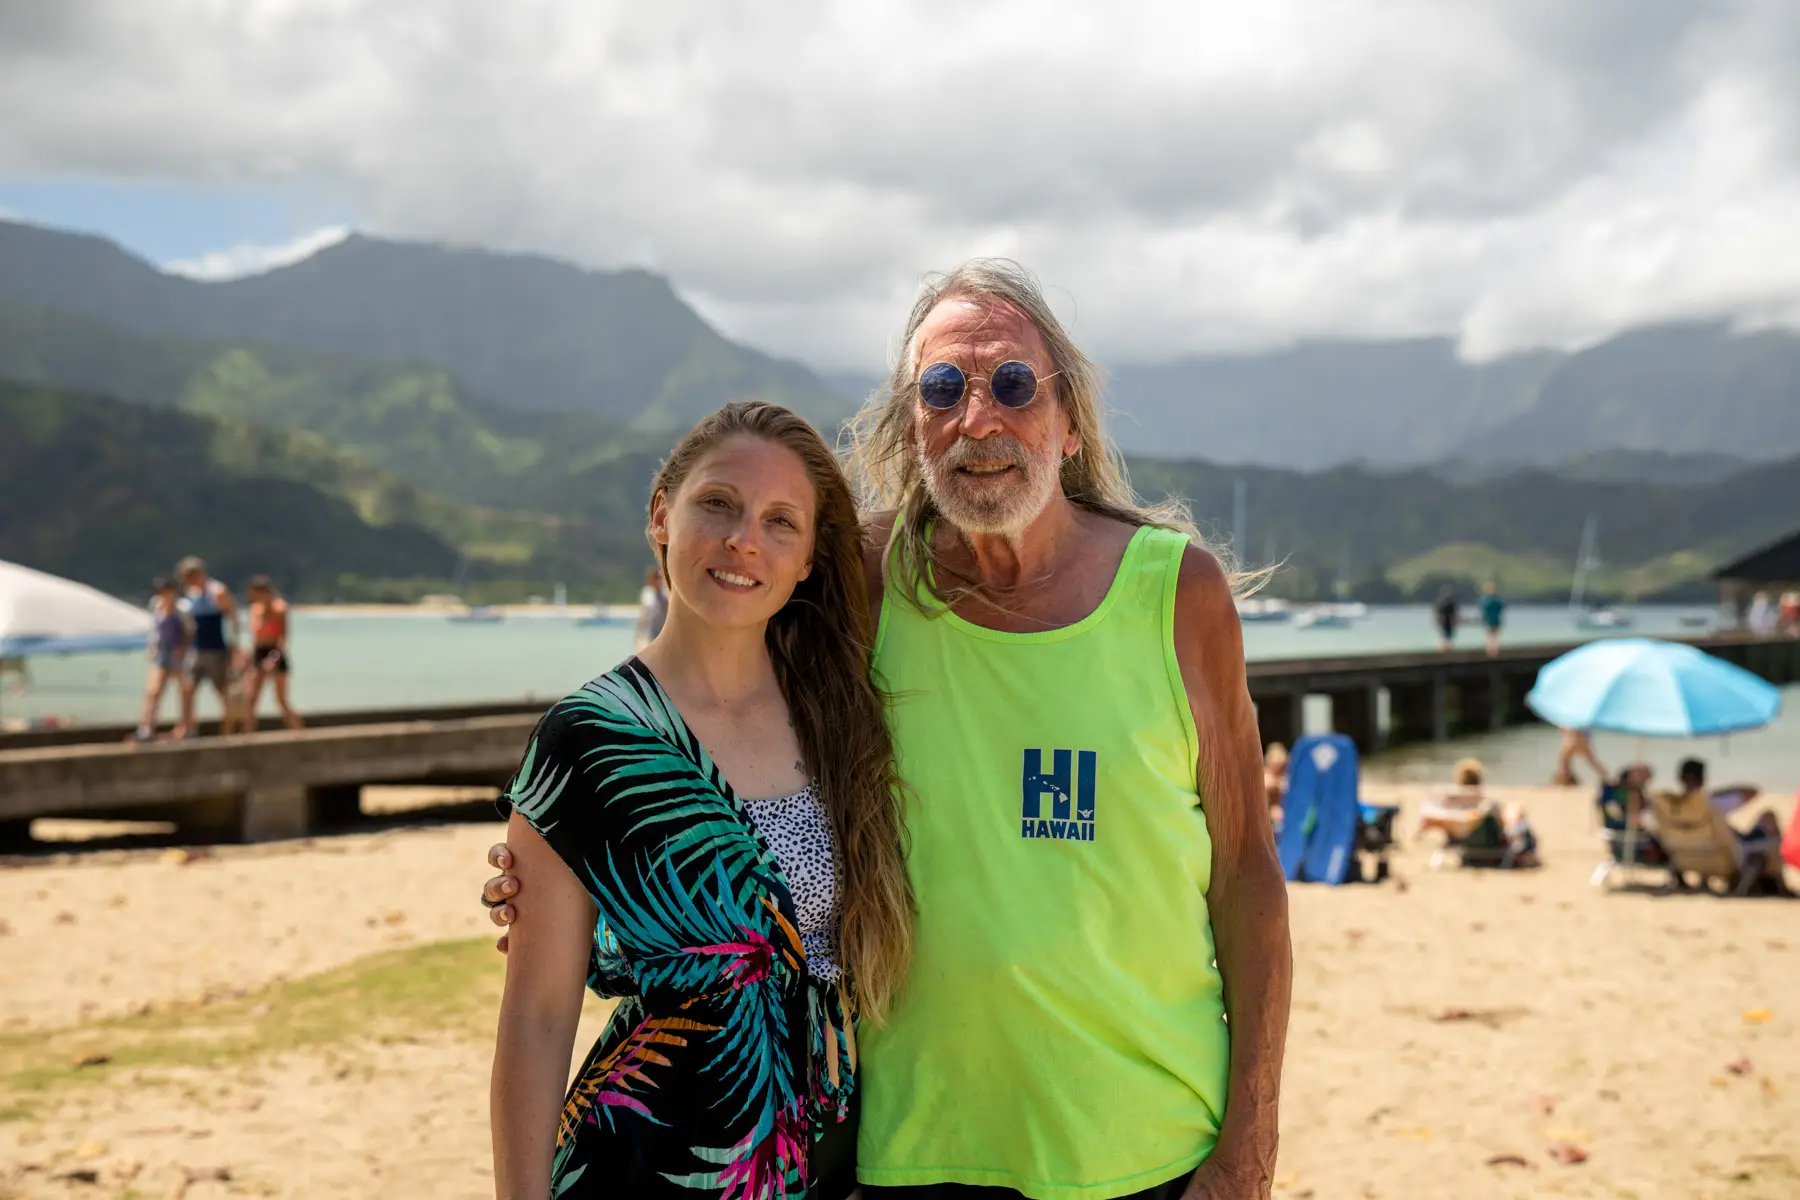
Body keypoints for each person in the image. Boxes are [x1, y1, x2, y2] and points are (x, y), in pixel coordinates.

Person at [486, 259, 1292, 1199]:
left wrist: (1249, 1149)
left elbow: (1247, 874)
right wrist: (551, 864)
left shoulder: (1177, 593)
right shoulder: (868, 586)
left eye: (1014, 384)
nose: (977, 418)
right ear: (912, 429)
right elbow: (711, 706)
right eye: (941, 388)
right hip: (913, 1149)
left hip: (1150, 1146)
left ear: (1070, 422)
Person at [489, 402, 911, 1198]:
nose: (744, 539)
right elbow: (537, 1018)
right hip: (645, 1167)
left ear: (809, 560)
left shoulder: (841, 714)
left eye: (780, 521)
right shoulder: (588, 740)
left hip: (836, 1165)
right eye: (717, 503)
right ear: (662, 515)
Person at [173, 556, 244, 738]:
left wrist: (235, 646)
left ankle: (229, 728)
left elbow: (232, 617)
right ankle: (188, 728)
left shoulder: (217, 591)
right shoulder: (191, 593)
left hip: (216, 649)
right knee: (187, 688)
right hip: (196, 648)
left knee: (222, 690)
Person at [132, 577, 192, 742]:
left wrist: (183, 650)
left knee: (184, 691)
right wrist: (151, 647)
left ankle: (187, 727)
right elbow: (155, 629)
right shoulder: (156, 605)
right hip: (161, 652)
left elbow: (189, 631)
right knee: (153, 691)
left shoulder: (183, 608)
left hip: (178, 652)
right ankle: (147, 728)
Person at [242, 576, 302, 731]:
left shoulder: (279, 608)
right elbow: (256, 638)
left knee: (281, 700)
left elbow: (283, 638)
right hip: (259, 652)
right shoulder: (254, 609)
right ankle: (247, 735)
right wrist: (248, 657)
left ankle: (299, 732)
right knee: (250, 698)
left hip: (275, 652)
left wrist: (273, 659)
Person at [632, 564, 669, 651]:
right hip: (651, 631)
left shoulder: (665, 593)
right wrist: (638, 633)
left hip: (664, 631)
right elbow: (644, 612)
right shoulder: (647, 593)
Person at [1263, 741, 1289, 825]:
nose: (1278, 768)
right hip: (1268, 817)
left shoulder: (1286, 775)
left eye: (1281, 766)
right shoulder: (1265, 775)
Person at [1480, 579, 1505, 658]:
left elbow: (1484, 609)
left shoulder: (1486, 599)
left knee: (1490, 635)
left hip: (1490, 619)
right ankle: (1494, 651)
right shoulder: (1497, 600)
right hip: (1495, 619)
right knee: (1494, 635)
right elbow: (1501, 607)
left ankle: (1490, 651)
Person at [1434, 584, 1458, 651]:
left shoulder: (1451, 603)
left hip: (1449, 623)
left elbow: (1454, 614)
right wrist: (1437, 621)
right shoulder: (1441, 603)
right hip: (1443, 623)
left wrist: (1455, 622)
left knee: (1448, 637)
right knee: (1444, 637)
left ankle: (1447, 649)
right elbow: (1438, 613)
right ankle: (1444, 649)